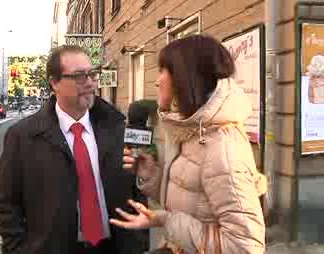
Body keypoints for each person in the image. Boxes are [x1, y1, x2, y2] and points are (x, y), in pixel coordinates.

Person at [110, 35, 267, 254]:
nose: (157, 80)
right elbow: (192, 201)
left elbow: (245, 247)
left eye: (164, 70)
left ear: (185, 78)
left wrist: (167, 220)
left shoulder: (222, 148)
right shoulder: (195, 132)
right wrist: (153, 176)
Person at [0, 45, 145, 254]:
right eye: (80, 76)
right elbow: (6, 204)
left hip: (115, 247)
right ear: (54, 82)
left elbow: (135, 189)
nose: (91, 82)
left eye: (93, 74)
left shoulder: (116, 127)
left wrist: (138, 242)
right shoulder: (23, 136)